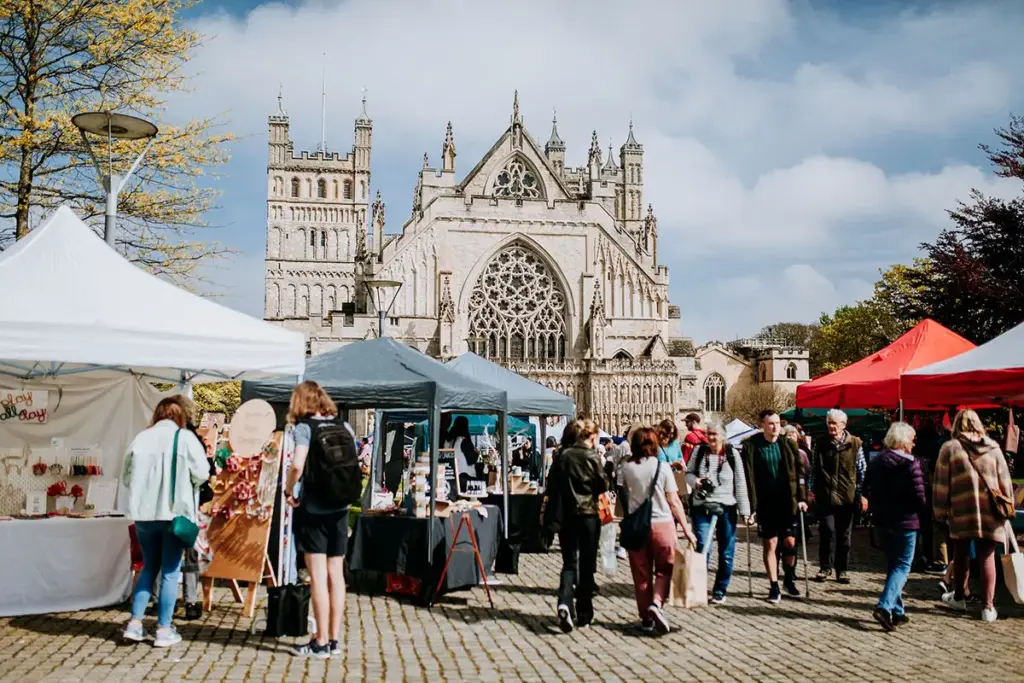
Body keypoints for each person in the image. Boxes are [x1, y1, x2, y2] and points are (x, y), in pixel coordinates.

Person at [121, 397, 210, 647]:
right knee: (170, 571)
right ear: (181, 415)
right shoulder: (184, 437)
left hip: (143, 514)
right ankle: (163, 628)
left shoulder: (141, 437)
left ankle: (135, 624)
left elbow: (126, 475)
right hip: (173, 514)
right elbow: (202, 474)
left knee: (149, 567)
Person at [284, 380, 357, 658]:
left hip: (314, 509)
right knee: (336, 575)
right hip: (340, 507)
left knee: (316, 576)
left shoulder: (304, 428)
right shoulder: (343, 426)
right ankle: (334, 639)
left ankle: (320, 641)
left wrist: (290, 490)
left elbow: (297, 465)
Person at [933, 409, 1015, 623]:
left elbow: (941, 482)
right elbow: (1005, 481)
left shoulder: (950, 449)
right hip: (990, 512)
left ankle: (959, 597)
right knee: (986, 556)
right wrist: (1008, 506)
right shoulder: (994, 448)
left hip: (961, 509)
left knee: (961, 553)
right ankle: (988, 608)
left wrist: (940, 509)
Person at [622, 427, 696, 635]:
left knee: (641, 575)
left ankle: (646, 619)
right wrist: (686, 528)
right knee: (665, 569)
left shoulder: (626, 467)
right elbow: (673, 501)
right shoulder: (662, 468)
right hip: (662, 524)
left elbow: (625, 496)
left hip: (637, 526)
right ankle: (656, 603)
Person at [543, 418, 607, 633]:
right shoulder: (592, 456)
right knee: (587, 565)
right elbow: (602, 483)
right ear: (591, 436)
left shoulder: (562, 456)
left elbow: (553, 484)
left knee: (569, 563)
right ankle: (584, 614)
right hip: (588, 515)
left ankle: (564, 602)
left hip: (567, 516)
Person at [864, 422, 927, 632]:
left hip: (883, 520)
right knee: (902, 566)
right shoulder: (910, 464)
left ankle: (898, 612)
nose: (913, 444)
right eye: (912, 439)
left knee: (893, 566)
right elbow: (919, 496)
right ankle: (884, 606)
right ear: (903, 441)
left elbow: (868, 488)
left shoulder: (876, 462)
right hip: (905, 521)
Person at [741, 409, 807, 603]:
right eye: (771, 423)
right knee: (770, 543)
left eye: (777, 423)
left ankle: (788, 577)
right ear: (763, 425)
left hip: (787, 501)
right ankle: (774, 585)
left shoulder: (787, 444)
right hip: (766, 503)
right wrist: (748, 507)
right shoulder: (752, 446)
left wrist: (802, 497)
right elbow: (746, 476)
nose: (775, 427)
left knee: (790, 543)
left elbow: (800, 473)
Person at [685, 421, 751, 605]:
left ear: (723, 435)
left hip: (726, 507)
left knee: (726, 552)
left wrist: (745, 510)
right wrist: (696, 481)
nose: (711, 438)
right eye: (709, 434)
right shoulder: (699, 452)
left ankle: (720, 590)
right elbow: (688, 473)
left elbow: (740, 482)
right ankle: (699, 588)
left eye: (714, 434)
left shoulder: (732, 454)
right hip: (702, 505)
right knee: (703, 548)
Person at [809, 409, 866, 584]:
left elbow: (861, 470)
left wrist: (860, 493)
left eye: (835, 423)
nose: (831, 426)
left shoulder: (855, 443)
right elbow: (815, 469)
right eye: (829, 423)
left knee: (844, 535)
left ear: (843, 425)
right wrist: (811, 490)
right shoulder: (821, 443)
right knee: (827, 531)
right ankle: (825, 567)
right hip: (826, 495)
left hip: (847, 497)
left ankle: (842, 570)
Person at [444, 416, 480, 493]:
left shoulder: (448, 440)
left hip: (451, 474)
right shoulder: (464, 440)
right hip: (465, 474)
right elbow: (471, 460)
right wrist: (477, 453)